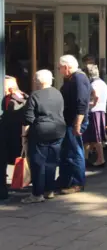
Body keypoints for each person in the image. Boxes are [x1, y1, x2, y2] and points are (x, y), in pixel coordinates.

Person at [21, 70, 66, 204]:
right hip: (58, 130)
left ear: (37, 81)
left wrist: (24, 136)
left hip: (41, 131)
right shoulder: (58, 93)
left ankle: (37, 193)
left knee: (38, 162)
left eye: (34, 79)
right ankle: (49, 190)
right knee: (52, 161)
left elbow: (29, 118)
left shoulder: (35, 95)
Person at [57, 55, 92, 194]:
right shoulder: (72, 78)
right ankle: (64, 180)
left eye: (59, 68)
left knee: (75, 151)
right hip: (69, 120)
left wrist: (78, 123)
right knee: (66, 152)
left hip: (74, 121)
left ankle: (77, 183)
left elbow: (81, 102)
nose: (59, 70)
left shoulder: (79, 78)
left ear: (66, 67)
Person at [0, 76, 29, 200]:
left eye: (5, 87)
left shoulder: (10, 101)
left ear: (11, 88)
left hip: (9, 136)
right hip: (19, 135)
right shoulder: (26, 97)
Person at [83, 65, 107, 168]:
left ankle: (100, 159)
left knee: (95, 137)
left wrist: (91, 104)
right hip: (101, 110)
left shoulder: (94, 84)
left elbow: (96, 96)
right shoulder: (103, 83)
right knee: (93, 137)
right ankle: (86, 157)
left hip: (94, 111)